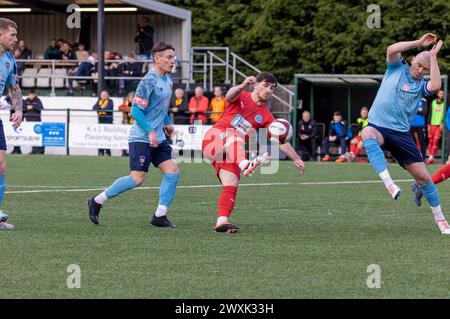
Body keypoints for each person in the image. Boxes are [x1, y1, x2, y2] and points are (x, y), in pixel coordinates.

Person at [360, 33, 449, 234]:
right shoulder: (396, 68)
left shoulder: (420, 86)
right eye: (418, 65)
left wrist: (433, 56)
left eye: (424, 69)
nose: (420, 70)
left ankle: (440, 220)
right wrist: (419, 43)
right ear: (411, 60)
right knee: (367, 133)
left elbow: (435, 86)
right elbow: (391, 49)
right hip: (379, 126)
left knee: (424, 178)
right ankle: (389, 183)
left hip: (401, 135)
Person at [87, 41, 180, 229]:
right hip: (142, 137)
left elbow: (160, 110)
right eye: (169, 57)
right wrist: (151, 131)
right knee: (137, 179)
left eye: (173, 57)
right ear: (157, 59)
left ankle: (160, 216)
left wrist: (167, 125)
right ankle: (97, 201)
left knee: (173, 171)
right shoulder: (148, 81)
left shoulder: (168, 80)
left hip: (158, 138)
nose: (173, 61)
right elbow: (136, 111)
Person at [201, 72, 305, 233]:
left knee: (231, 184)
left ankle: (222, 222)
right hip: (214, 139)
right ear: (255, 85)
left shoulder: (266, 115)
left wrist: (296, 158)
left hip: (232, 150)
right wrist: (242, 85)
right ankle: (245, 164)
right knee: (236, 137)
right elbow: (229, 95)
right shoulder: (241, 96)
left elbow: (279, 139)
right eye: (265, 86)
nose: (269, 90)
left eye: (272, 88)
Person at [0, 18, 24, 230]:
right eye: (12, 35)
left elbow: (13, 88)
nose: (16, 39)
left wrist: (18, 109)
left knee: (0, 165)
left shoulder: (9, 59)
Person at [426, 89, 445, 164]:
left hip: (439, 125)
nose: (441, 95)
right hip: (432, 125)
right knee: (430, 141)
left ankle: (431, 157)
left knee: (436, 140)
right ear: (437, 94)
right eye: (440, 93)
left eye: (442, 94)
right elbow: (429, 113)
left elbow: (444, 115)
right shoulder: (433, 102)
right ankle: (431, 156)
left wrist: (442, 123)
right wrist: (428, 125)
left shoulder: (444, 103)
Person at [93, 90, 114, 156]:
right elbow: (94, 107)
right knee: (100, 137)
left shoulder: (110, 101)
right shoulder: (99, 100)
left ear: (107, 95)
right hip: (100, 121)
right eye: (102, 95)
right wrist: (100, 107)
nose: (103, 96)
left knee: (107, 137)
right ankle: (100, 152)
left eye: (105, 95)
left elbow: (108, 108)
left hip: (108, 121)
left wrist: (101, 108)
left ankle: (108, 152)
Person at [23, 90, 44, 154]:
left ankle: (40, 150)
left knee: (39, 136)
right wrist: (27, 107)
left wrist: (32, 107)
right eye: (30, 94)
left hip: (37, 121)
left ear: (35, 95)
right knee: (31, 136)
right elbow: (22, 108)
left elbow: (40, 107)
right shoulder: (25, 100)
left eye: (33, 94)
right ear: (28, 95)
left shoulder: (38, 100)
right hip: (29, 121)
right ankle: (34, 150)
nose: (31, 96)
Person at [118, 91, 135, 156]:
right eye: (130, 97)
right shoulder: (126, 102)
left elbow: (138, 110)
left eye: (132, 97)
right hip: (126, 123)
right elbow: (120, 107)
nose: (131, 99)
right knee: (124, 138)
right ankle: (124, 152)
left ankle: (132, 152)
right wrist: (130, 110)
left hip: (134, 124)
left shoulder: (137, 103)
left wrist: (132, 111)